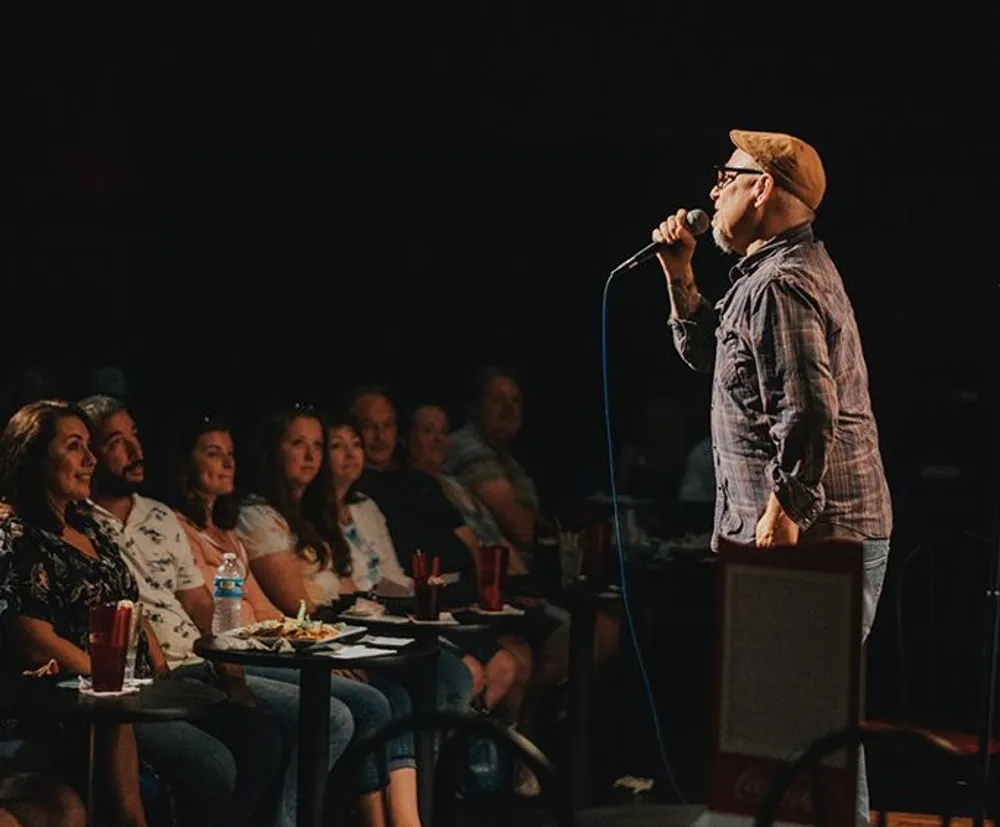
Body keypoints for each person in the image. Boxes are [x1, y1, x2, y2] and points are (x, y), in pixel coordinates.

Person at [655, 129, 892, 825]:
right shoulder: (771, 275)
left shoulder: (782, 283)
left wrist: (787, 506)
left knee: (809, 720)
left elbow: (810, 409)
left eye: (726, 176)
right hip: (814, 525)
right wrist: (680, 277)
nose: (713, 191)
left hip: (816, 530)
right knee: (808, 718)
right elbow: (716, 361)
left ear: (762, 188)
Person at [77, 396, 352, 827]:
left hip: (200, 658)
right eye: (117, 441)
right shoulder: (80, 522)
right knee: (255, 746)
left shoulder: (159, 515)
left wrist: (232, 675)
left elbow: (201, 604)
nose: (135, 451)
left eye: (136, 437)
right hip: (151, 673)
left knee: (290, 728)